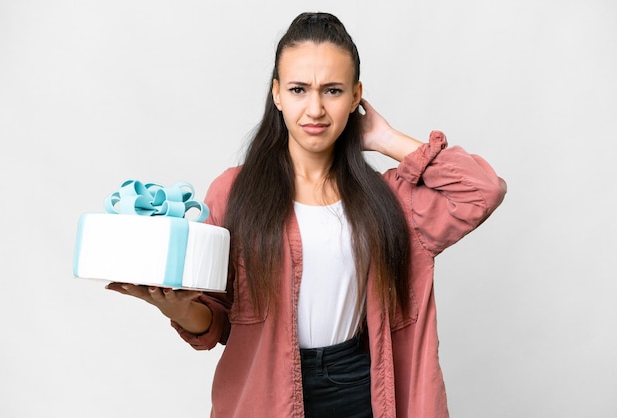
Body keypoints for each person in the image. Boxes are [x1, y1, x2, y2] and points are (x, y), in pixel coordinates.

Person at [106, 11, 507, 418]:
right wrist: (176, 309)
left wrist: (386, 138)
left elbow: (482, 190)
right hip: (265, 389)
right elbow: (217, 323)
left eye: (332, 91)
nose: (315, 108)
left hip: (358, 386)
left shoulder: (391, 199)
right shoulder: (235, 192)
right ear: (277, 94)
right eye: (299, 89)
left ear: (355, 97)